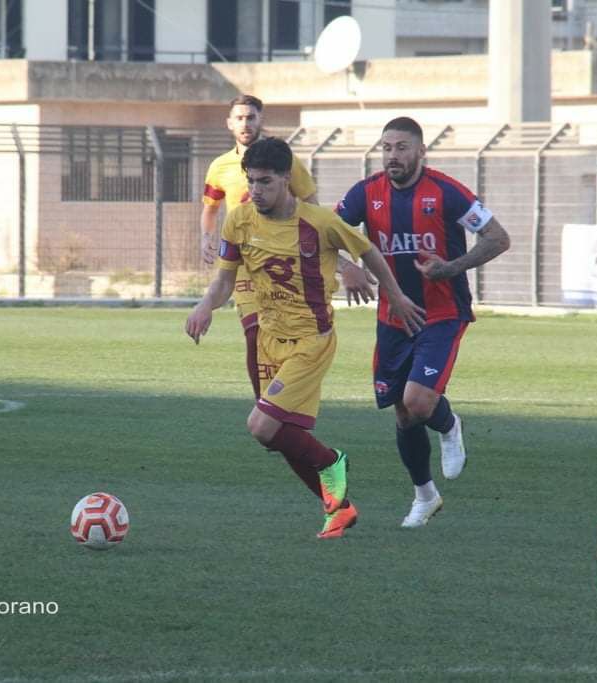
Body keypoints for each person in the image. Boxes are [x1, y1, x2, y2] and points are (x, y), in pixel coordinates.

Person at [186, 137, 424, 539]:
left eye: (265, 182)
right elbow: (225, 279)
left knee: (260, 425)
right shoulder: (238, 220)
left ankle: (332, 462)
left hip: (310, 341)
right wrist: (205, 305)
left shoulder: (319, 222)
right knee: (275, 435)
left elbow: (368, 252)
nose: (256, 190)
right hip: (268, 339)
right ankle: (339, 508)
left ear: (286, 179)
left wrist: (396, 296)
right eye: (251, 181)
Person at [199, 94, 374, 507]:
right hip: (247, 280)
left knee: (268, 423)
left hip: (296, 299)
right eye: (239, 117)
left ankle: (314, 456)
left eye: (251, 116)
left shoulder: (286, 162)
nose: (246, 123)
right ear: (229, 123)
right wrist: (207, 239)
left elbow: (315, 222)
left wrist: (344, 265)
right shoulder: (221, 168)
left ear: (261, 120)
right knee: (266, 411)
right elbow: (211, 209)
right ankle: (334, 500)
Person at [336, 117, 510, 529]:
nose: (392, 156)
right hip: (392, 316)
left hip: (442, 313)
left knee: (417, 401)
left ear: (420, 151)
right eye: (386, 148)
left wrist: (451, 267)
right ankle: (425, 496)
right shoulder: (365, 194)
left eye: (401, 147)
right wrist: (347, 268)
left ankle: (449, 425)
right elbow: (319, 235)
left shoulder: (447, 192)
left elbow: (498, 238)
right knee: (403, 413)